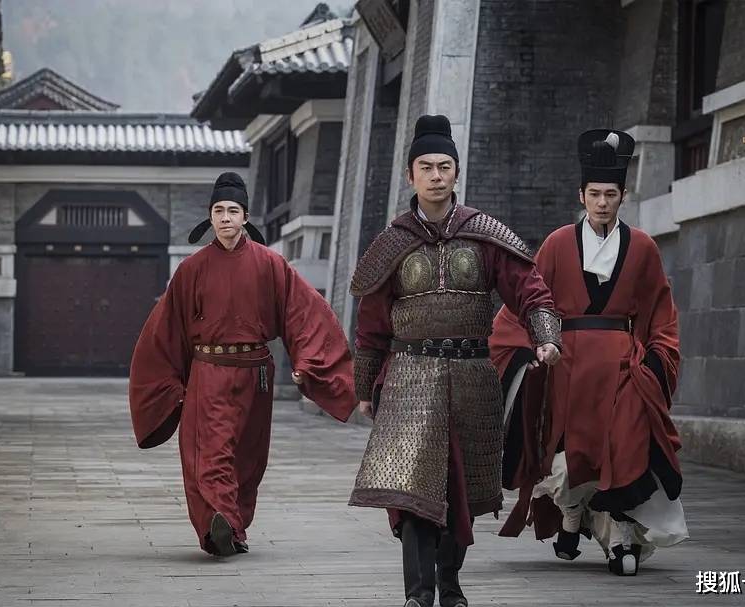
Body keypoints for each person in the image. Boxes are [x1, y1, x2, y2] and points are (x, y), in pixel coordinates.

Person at [348, 115, 562, 607]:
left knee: (456, 488)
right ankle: (418, 594)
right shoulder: (392, 242)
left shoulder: (484, 235)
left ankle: (450, 584)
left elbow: (532, 293)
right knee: (412, 488)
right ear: (410, 175)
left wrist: (546, 337)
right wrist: (364, 387)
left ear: (457, 172)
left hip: (471, 378)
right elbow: (371, 325)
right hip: (409, 378)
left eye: (444, 166)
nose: (436, 175)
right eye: (426, 167)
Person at [490, 129, 687, 576]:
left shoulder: (643, 247)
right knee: (567, 454)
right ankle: (573, 513)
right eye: (594, 194)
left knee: (625, 449)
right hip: (566, 368)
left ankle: (620, 538)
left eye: (610, 195)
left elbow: (661, 314)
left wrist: (656, 362)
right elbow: (529, 302)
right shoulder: (558, 243)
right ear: (581, 195)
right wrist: (528, 351)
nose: (602, 203)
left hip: (622, 369)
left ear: (623, 197)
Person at [128, 172, 356, 557]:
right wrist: (170, 386)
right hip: (208, 372)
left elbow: (305, 314)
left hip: (256, 375)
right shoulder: (191, 269)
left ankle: (234, 527)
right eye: (218, 210)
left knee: (248, 459)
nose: (225, 217)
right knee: (210, 453)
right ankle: (218, 523)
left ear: (245, 217)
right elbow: (165, 331)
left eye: (233, 211)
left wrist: (308, 361)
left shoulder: (271, 264)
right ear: (210, 217)